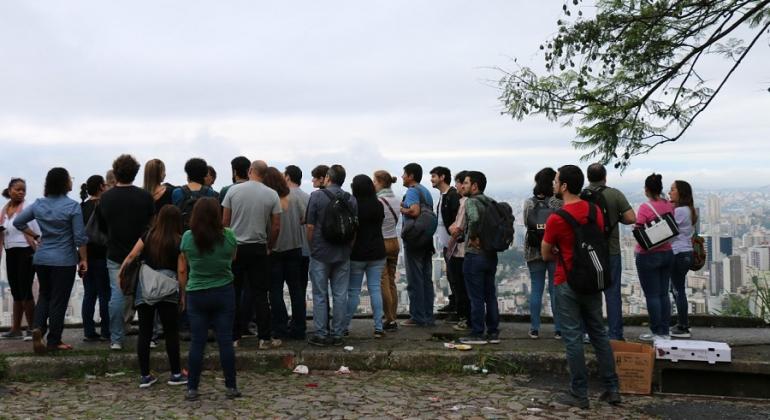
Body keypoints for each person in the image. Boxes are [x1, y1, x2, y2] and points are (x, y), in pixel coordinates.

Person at [541, 165, 620, 409]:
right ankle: (612, 388)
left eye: (556, 181)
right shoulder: (595, 211)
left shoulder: (556, 218)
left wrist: (558, 250)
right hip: (593, 279)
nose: (554, 185)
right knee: (598, 333)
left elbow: (545, 254)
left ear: (564, 186)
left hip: (567, 281)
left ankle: (579, 393)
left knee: (573, 337)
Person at [14, 168, 88, 353]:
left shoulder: (39, 204)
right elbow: (80, 238)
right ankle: (55, 341)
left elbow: (18, 222)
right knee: (59, 300)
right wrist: (84, 260)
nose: (71, 181)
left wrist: (37, 235)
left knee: (45, 296)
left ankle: (38, 328)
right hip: (63, 260)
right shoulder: (72, 206)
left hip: (42, 258)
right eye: (69, 178)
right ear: (64, 183)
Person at [179, 197, 240, 401]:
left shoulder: (188, 237)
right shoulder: (229, 236)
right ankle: (231, 386)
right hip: (223, 290)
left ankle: (192, 387)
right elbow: (233, 258)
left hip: (197, 292)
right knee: (225, 340)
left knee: (198, 342)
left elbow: (185, 264)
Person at [121, 205, 187, 388]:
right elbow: (181, 269)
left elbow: (133, 254)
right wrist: (183, 293)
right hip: (168, 286)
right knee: (171, 332)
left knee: (145, 331)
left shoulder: (148, 235)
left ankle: (145, 375)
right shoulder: (179, 240)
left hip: (146, 286)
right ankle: (175, 373)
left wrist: (122, 271)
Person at [222, 160, 282, 349]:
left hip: (236, 247)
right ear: (264, 174)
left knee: (234, 292)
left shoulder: (233, 191)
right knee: (260, 294)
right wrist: (269, 246)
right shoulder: (272, 194)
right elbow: (276, 225)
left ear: (250, 171)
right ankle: (264, 337)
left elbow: (225, 222)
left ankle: (234, 336)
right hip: (258, 246)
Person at [99, 154, 155, 351]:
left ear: (116, 172)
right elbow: (151, 225)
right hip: (142, 253)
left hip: (115, 253)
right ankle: (148, 337)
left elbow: (102, 226)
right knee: (145, 296)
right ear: (135, 173)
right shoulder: (145, 197)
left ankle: (116, 338)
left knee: (117, 295)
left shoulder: (105, 198)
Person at [306, 164, 357, 346]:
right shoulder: (350, 199)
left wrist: (312, 247)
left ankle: (321, 333)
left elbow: (310, 226)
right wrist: (348, 248)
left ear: (327, 177)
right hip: (343, 252)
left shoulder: (316, 196)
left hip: (320, 252)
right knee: (340, 294)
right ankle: (338, 333)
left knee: (320, 294)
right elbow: (354, 228)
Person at [585, 163, 636, 341]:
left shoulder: (582, 196)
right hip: (611, 250)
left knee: (590, 293)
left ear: (588, 177)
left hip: (589, 252)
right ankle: (615, 334)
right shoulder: (614, 194)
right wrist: (616, 217)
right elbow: (631, 218)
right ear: (605, 177)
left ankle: (592, 333)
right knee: (612, 294)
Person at [458, 171, 500, 345]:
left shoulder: (471, 202)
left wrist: (473, 236)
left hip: (475, 256)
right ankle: (493, 332)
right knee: (490, 295)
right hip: (491, 255)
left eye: (466, 183)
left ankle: (477, 332)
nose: (463, 186)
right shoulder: (490, 201)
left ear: (474, 186)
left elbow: (474, 219)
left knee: (475, 297)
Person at [263, 167, 304, 340]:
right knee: (296, 290)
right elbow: (304, 218)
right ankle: (299, 327)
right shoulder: (294, 197)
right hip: (295, 248)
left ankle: (279, 327)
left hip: (275, 249)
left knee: (275, 291)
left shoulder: (268, 199)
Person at [635, 173, 676, 341]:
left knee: (652, 295)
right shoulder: (668, 205)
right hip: (667, 252)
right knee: (663, 293)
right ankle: (665, 331)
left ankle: (656, 332)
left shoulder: (645, 208)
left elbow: (638, 228)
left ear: (646, 190)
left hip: (648, 255)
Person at [523, 168, 562, 340]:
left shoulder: (529, 202)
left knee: (536, 288)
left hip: (533, 250)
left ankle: (534, 328)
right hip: (554, 249)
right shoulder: (558, 202)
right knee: (555, 290)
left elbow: (527, 223)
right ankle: (559, 329)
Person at [345, 175, 386, 338]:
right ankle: (378, 327)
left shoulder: (353, 206)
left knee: (353, 291)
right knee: (375, 289)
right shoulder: (378, 205)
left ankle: (345, 326)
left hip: (357, 253)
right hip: (377, 251)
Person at [0, 178, 40, 340]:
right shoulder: (3, 210)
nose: (21, 192)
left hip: (26, 251)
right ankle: (16, 328)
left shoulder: (28, 209)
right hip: (10, 251)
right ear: (9, 190)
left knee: (25, 290)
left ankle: (32, 328)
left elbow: (37, 231)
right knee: (15, 290)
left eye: (23, 190)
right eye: (18, 189)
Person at [400, 163, 435, 327]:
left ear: (411, 176)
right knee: (426, 279)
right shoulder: (426, 192)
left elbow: (414, 211)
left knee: (415, 279)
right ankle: (428, 315)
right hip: (426, 239)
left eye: (404, 174)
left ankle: (417, 317)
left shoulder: (412, 191)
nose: (402, 177)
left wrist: (402, 208)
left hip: (414, 239)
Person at [79, 175, 111, 342]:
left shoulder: (82, 207)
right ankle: (106, 331)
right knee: (105, 294)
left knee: (89, 294)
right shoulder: (104, 205)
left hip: (85, 256)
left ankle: (89, 331)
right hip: (103, 254)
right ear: (100, 186)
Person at [430, 166, 461, 318]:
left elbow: (457, 221)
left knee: (456, 276)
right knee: (451, 276)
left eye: (434, 176)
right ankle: (453, 303)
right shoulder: (444, 195)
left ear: (442, 177)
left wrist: (453, 241)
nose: (431, 179)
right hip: (446, 244)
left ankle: (459, 309)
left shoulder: (452, 195)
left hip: (453, 244)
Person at [284, 165, 310, 339]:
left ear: (287, 177)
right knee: (300, 288)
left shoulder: (284, 197)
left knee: (286, 288)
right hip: (306, 249)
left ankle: (289, 323)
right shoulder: (308, 197)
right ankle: (300, 323)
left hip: (288, 247)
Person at [373, 170, 401, 332]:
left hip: (381, 242)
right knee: (391, 281)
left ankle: (389, 318)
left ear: (381, 182)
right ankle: (394, 316)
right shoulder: (397, 200)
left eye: (375, 182)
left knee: (383, 281)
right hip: (395, 242)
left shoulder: (379, 202)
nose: (373, 185)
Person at [669, 180, 696, 339]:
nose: (670, 192)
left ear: (681, 192)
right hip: (686, 252)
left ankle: (683, 326)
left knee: (678, 290)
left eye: (673, 190)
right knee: (677, 289)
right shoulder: (689, 210)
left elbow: (668, 229)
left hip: (678, 253)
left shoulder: (680, 211)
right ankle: (682, 323)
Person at [447, 171, 471, 331]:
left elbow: (457, 229)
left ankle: (465, 319)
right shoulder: (481, 201)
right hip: (472, 252)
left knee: (461, 287)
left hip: (461, 251)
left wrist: (450, 227)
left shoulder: (465, 202)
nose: (456, 186)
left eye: (458, 183)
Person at [173, 158, 219, 228]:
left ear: (187, 173)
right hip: (205, 234)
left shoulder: (177, 192)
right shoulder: (210, 193)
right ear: (204, 174)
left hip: (183, 235)